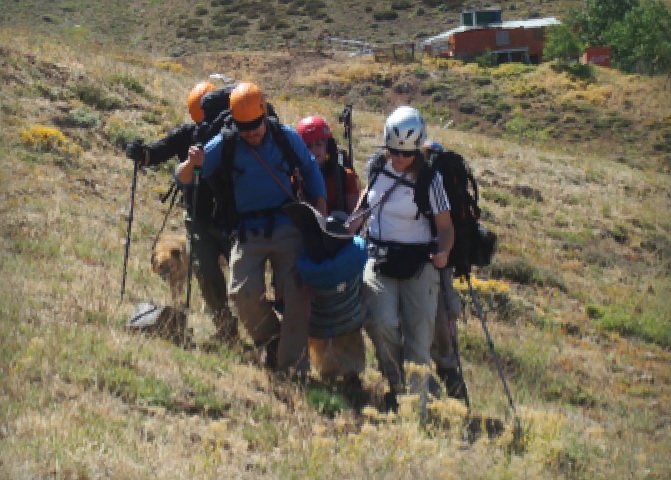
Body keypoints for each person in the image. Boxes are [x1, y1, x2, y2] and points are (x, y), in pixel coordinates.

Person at [175, 82, 327, 373]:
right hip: (247, 230)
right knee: (242, 294)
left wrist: (319, 215)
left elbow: (309, 169)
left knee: (296, 291)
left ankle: (293, 368)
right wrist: (190, 163)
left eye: (256, 127)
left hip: (287, 224)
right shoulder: (226, 142)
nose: (252, 134)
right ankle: (273, 343)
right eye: (245, 129)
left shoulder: (285, 137)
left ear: (264, 113)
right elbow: (184, 176)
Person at [347, 106, 454, 410]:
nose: (399, 158)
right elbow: (365, 204)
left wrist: (443, 252)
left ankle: (416, 409)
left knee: (419, 339)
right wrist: (348, 226)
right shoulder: (378, 167)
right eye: (393, 151)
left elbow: (445, 227)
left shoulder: (430, 180)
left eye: (406, 154)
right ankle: (397, 387)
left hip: (419, 264)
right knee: (382, 326)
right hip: (380, 258)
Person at [125, 81, 239, 344]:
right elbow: (155, 153)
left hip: (232, 220)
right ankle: (225, 330)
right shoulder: (187, 134)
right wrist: (140, 153)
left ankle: (258, 332)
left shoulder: (234, 137)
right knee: (206, 275)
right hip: (199, 220)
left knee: (242, 282)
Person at [296, 115, 360, 215]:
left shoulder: (346, 176)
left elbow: (355, 215)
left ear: (328, 146)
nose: (314, 151)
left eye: (318, 144)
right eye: (308, 146)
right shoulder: (295, 179)